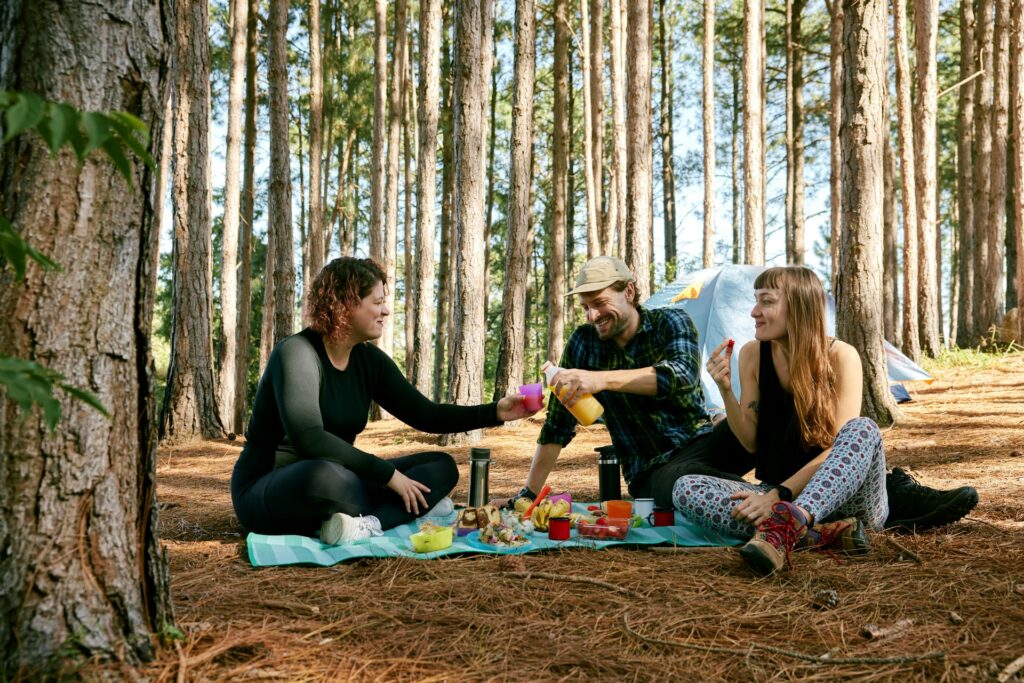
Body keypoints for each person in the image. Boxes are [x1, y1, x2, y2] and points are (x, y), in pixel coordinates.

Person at [498, 257, 978, 536]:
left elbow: (676, 378)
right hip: (664, 467)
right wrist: (529, 493)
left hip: (714, 448)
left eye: (600, 303)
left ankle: (879, 493)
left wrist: (601, 381)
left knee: (849, 432)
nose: (593, 315)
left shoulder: (670, 322)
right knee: (682, 486)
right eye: (587, 306)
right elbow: (558, 425)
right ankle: (800, 521)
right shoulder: (585, 346)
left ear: (629, 291)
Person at [672, 266, 976, 575]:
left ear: (799, 306)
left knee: (862, 429)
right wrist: (725, 390)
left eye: (766, 301)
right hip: (779, 497)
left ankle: (792, 523)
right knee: (686, 487)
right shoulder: (753, 355)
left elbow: (839, 450)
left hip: (850, 503)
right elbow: (750, 441)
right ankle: (819, 536)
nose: (754, 312)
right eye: (756, 300)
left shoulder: (841, 356)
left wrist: (781, 495)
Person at [231, 257, 539, 545]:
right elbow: (309, 438)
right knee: (321, 476)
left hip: (343, 481)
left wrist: (496, 412)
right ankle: (407, 509)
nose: (386, 311)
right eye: (377, 302)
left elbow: (426, 414)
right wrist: (389, 476)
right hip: (273, 485)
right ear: (346, 305)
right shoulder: (296, 353)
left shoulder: (369, 361)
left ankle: (370, 524)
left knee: (441, 466)